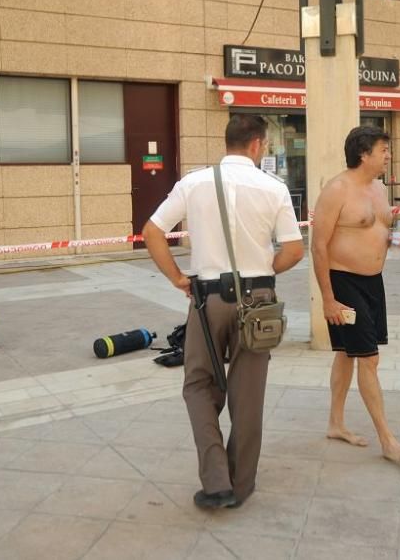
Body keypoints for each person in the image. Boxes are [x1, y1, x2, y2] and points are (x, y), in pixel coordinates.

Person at [143, 114, 304, 509]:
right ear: (256, 145)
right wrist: (265, 271)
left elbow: (152, 232)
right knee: (248, 395)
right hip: (259, 300)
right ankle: (242, 483)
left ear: (229, 141)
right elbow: (294, 249)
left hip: (207, 298)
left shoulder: (193, 183)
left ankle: (216, 480)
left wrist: (178, 278)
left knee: (199, 383)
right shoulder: (274, 188)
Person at [311, 125, 400, 464]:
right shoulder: (336, 190)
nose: (388, 156)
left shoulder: (379, 189)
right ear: (363, 154)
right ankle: (388, 439)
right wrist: (328, 298)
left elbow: (378, 230)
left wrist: (394, 240)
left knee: (347, 353)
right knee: (368, 358)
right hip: (345, 283)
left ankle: (335, 424)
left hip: (373, 283)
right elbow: (319, 246)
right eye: (383, 150)